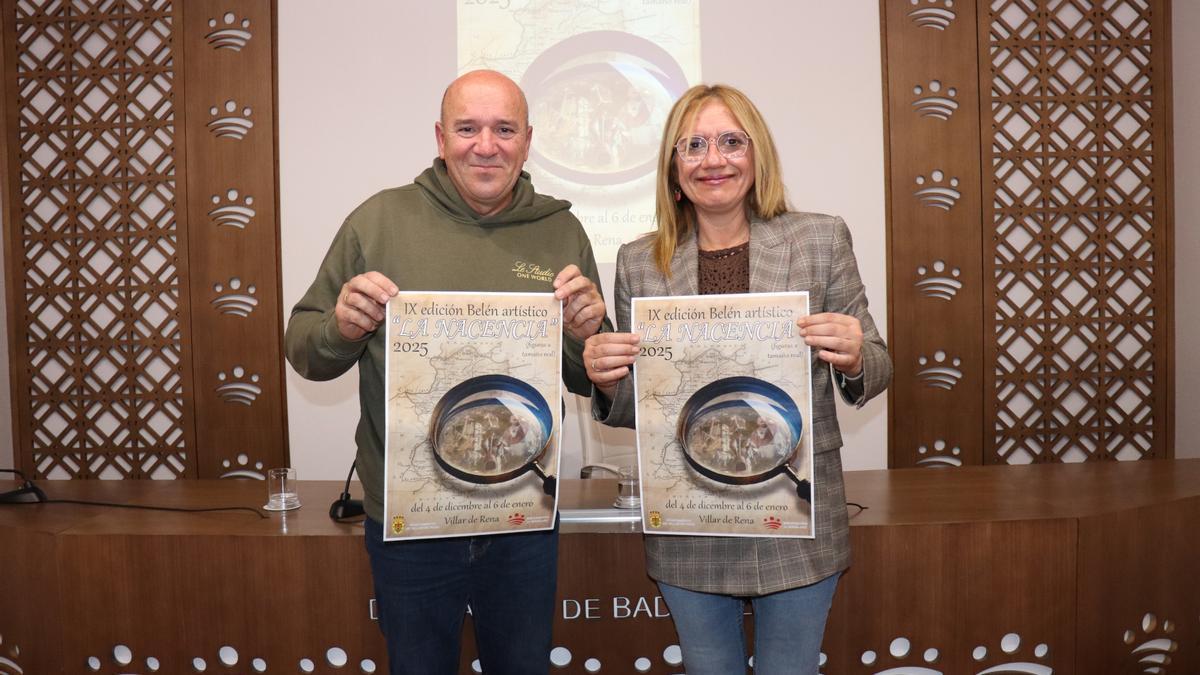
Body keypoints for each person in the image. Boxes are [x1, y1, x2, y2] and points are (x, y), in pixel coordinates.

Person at [285, 70, 608, 675]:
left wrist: (588, 335)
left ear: (527, 140)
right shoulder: (377, 221)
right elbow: (304, 349)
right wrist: (342, 327)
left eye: (504, 129)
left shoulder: (561, 230)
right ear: (440, 137)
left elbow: (587, 376)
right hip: (411, 521)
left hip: (523, 516)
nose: (485, 145)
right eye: (468, 128)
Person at [582, 84, 892, 675]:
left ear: (757, 157)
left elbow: (877, 366)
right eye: (693, 145)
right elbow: (635, 406)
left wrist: (854, 356)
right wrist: (605, 380)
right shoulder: (639, 261)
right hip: (689, 517)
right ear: (674, 168)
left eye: (731, 142)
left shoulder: (820, 240)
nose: (713, 159)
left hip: (794, 514)